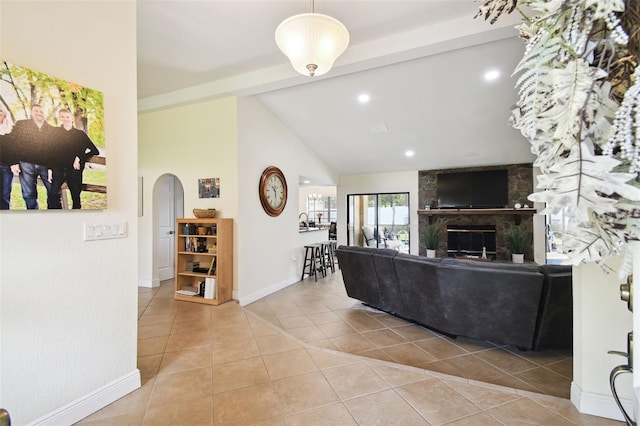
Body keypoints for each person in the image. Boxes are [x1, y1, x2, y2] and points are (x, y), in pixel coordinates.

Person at [48, 108, 99, 209]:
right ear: (60, 118)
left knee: (76, 197)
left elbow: (94, 150)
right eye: (62, 117)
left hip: (74, 170)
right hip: (58, 169)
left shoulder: (80, 135)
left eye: (67, 117)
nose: (65, 119)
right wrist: (49, 169)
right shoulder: (54, 133)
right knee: (53, 194)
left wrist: (80, 157)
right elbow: (50, 152)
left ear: (71, 118)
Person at [9, 104, 55, 209]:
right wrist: (13, 162)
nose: (39, 113)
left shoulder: (51, 129)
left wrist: (52, 167)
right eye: (36, 111)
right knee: (28, 193)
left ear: (45, 114)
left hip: (46, 165)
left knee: (53, 191)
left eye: (41, 111)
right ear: (31, 113)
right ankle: (33, 214)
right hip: (26, 164)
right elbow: (12, 143)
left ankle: (53, 214)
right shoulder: (21, 125)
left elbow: (54, 150)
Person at [0, 105, 15, 209]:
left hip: (6, 166)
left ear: (5, 113)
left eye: (0, 110)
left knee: (5, 194)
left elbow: (15, 148)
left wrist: (14, 163)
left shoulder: (11, 129)